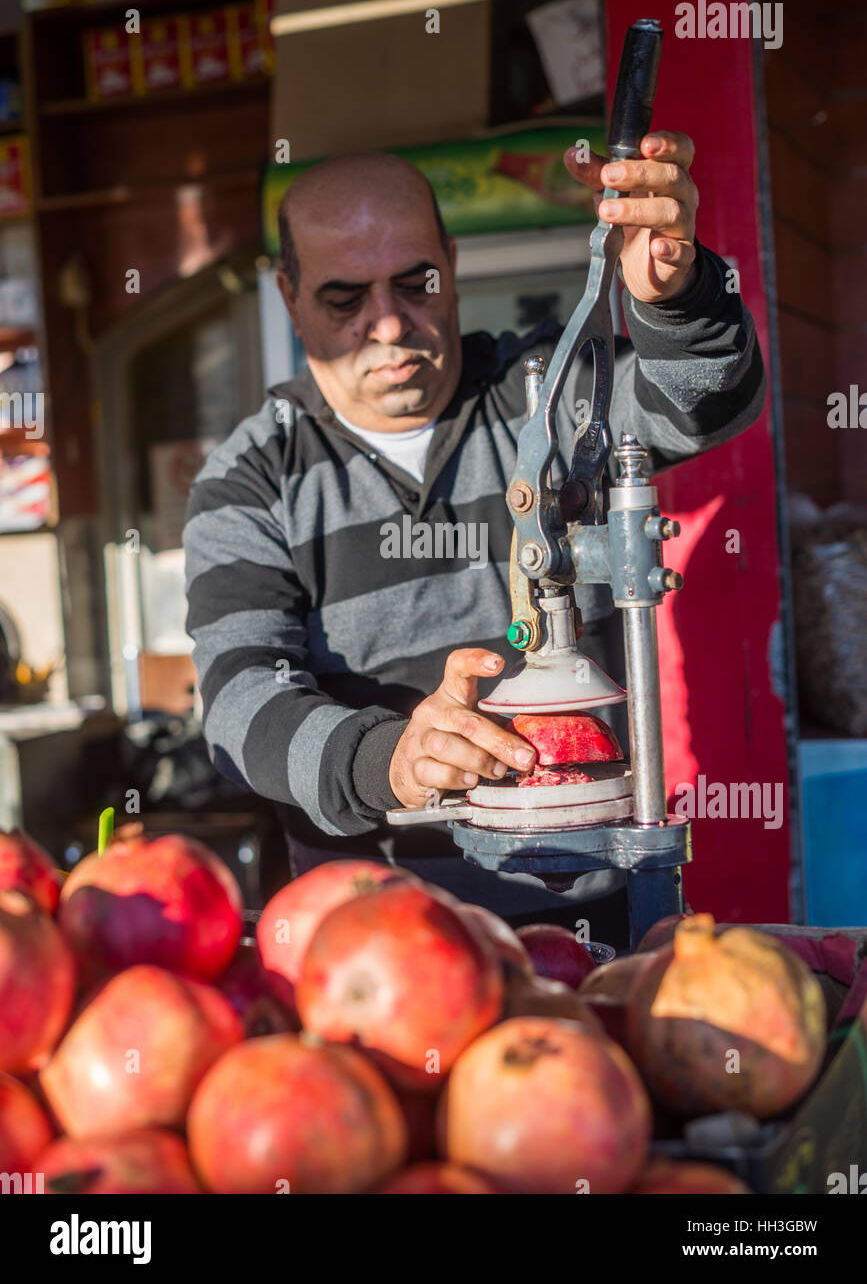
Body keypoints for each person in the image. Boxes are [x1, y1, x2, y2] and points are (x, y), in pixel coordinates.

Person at [183, 137, 765, 943]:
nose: (387, 323)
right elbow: (238, 704)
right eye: (343, 297)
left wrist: (677, 296)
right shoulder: (254, 475)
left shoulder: (545, 396)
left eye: (414, 282)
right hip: (372, 951)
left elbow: (702, 402)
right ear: (288, 296)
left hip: (591, 928)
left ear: (451, 264)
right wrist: (389, 761)